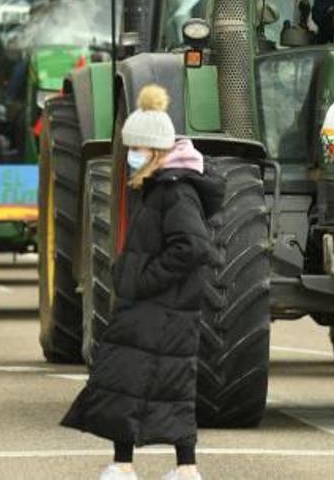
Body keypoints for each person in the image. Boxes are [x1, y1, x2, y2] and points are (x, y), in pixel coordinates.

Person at [62, 84, 221, 480]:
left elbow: (193, 247)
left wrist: (144, 279)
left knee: (141, 378)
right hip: (155, 303)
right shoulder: (155, 188)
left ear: (154, 150)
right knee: (136, 379)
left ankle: (165, 467)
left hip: (163, 304)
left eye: (136, 149)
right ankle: (143, 464)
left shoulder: (175, 191)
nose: (130, 157)